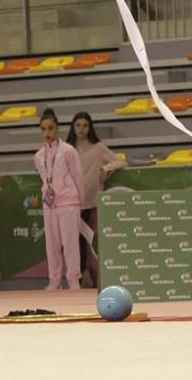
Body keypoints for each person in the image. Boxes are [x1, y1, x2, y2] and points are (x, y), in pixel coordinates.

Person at [65, 112, 124, 287]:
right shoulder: (68, 149)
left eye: (85, 125)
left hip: (92, 201)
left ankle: (92, 274)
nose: (81, 129)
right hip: (72, 201)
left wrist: (106, 168)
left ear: (90, 127)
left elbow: (119, 162)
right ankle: (80, 274)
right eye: (78, 125)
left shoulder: (98, 148)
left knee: (91, 239)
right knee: (77, 239)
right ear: (73, 127)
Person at [35, 108, 84, 290]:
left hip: (69, 202)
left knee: (70, 242)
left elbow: (78, 176)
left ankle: (73, 280)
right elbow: (44, 178)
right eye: (44, 129)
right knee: (52, 244)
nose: (47, 133)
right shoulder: (39, 156)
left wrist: (79, 201)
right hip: (50, 204)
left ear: (57, 129)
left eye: (51, 128)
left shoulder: (68, 151)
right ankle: (54, 280)